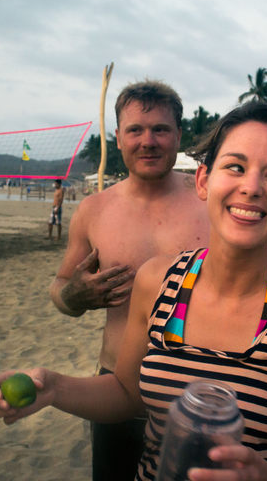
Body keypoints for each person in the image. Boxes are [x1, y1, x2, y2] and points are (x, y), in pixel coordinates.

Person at [0, 101, 267, 480]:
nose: (251, 187)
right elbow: (127, 396)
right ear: (203, 181)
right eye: (235, 167)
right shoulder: (158, 279)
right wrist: (53, 388)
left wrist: (265, 477)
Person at [44, 79, 209, 480]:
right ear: (118, 138)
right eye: (135, 130)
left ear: (179, 137)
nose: (147, 141)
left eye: (160, 129)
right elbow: (60, 288)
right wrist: (75, 296)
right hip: (117, 384)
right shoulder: (94, 210)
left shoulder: (210, 202)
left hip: (200, 392)